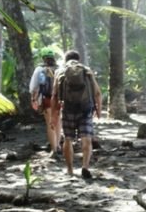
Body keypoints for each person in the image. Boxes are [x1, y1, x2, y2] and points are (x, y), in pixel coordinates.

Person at [51, 50, 102, 178]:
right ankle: (85, 166)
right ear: (78, 59)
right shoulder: (86, 70)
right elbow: (97, 92)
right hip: (85, 109)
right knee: (87, 138)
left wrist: (54, 115)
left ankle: (70, 170)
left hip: (68, 109)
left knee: (68, 139)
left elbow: (54, 95)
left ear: (65, 60)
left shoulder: (60, 72)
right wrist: (99, 110)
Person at [29, 47, 62, 156]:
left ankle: (54, 150)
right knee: (58, 123)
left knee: (50, 124)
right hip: (59, 100)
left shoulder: (39, 69)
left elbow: (33, 87)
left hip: (47, 99)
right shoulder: (60, 68)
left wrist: (33, 99)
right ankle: (58, 145)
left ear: (43, 58)